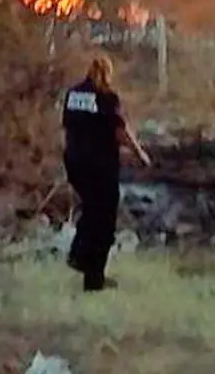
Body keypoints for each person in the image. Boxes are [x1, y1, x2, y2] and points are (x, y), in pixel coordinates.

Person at [61, 55, 151, 292]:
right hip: (100, 166)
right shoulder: (107, 97)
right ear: (107, 72)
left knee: (92, 211)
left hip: (75, 163)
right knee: (105, 220)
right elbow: (120, 132)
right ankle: (90, 270)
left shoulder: (73, 94)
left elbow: (69, 128)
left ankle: (86, 266)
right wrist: (140, 154)